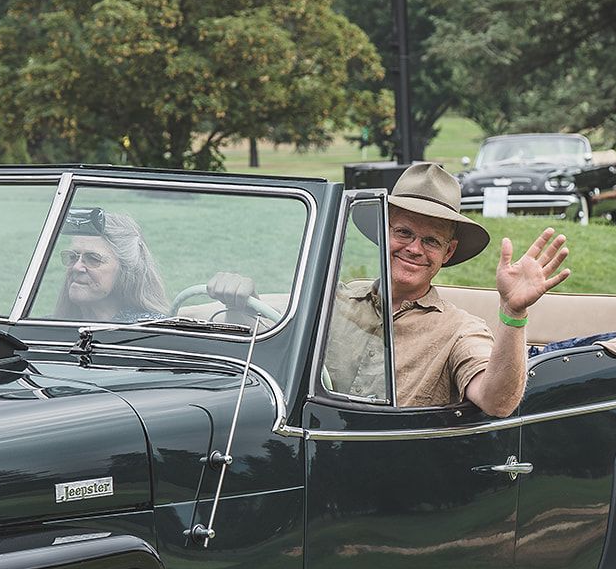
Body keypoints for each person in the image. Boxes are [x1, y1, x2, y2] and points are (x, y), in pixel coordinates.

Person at [211, 162, 570, 418]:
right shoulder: (327, 301)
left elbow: (497, 402)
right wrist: (237, 309)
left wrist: (514, 311)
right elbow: (270, 371)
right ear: (383, 232)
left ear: (448, 253)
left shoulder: (460, 330)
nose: (414, 248)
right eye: (404, 233)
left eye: (431, 240)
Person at [52, 210, 169, 322]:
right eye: (73, 257)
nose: (76, 267)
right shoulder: (47, 328)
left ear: (125, 271)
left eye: (93, 259)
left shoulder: (148, 333)